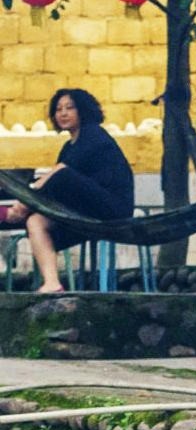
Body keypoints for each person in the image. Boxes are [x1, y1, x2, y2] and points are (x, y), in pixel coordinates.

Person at [3, 88, 135, 293]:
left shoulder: (93, 134)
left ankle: (19, 209)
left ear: (83, 110)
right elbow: (57, 186)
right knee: (35, 221)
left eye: (69, 108)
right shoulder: (68, 147)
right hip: (85, 211)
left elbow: (61, 175)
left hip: (112, 208)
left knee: (61, 174)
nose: (63, 113)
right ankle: (52, 283)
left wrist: (25, 201)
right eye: (58, 109)